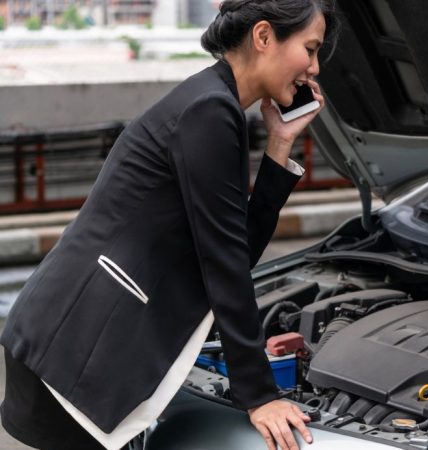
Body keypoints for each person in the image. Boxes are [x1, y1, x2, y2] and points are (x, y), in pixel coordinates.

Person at [0, 1, 339, 450]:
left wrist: (279, 143)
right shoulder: (209, 112)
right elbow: (224, 264)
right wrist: (259, 396)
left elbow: (235, 248)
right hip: (73, 353)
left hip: (76, 343)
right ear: (263, 37)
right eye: (310, 48)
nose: (314, 67)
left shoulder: (215, 104)